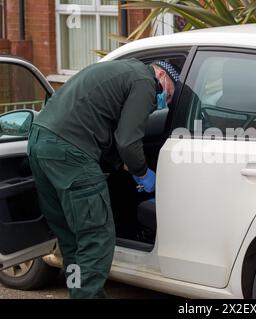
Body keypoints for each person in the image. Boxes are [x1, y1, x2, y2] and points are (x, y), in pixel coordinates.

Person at [27, 59, 179, 298]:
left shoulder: (122, 70)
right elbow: (128, 141)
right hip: (71, 153)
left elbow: (113, 135)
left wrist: (127, 165)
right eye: (168, 94)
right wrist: (143, 174)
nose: (165, 101)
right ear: (161, 74)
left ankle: (78, 291)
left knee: (70, 239)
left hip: (40, 143)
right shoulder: (145, 82)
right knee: (95, 236)